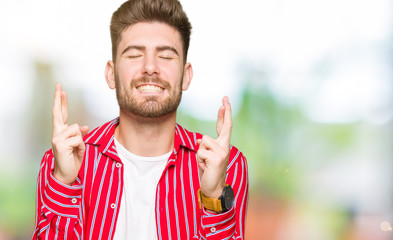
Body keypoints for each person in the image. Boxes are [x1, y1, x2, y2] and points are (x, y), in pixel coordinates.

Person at [32, 0, 248, 239]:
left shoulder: (226, 165)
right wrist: (63, 182)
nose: (150, 67)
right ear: (111, 74)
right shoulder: (63, 160)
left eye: (165, 56)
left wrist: (214, 195)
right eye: (134, 55)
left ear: (186, 77)